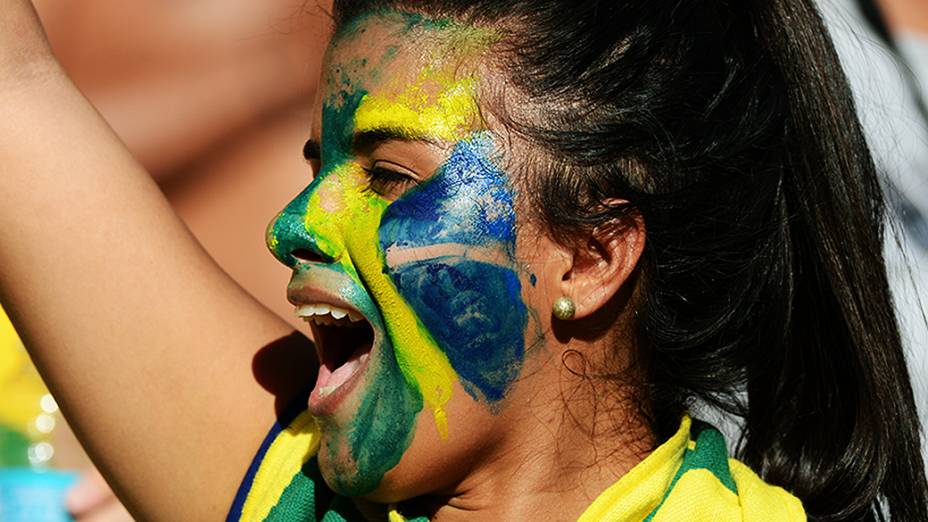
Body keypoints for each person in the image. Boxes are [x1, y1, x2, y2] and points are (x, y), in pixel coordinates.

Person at [0, 0, 925, 521]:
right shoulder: (299, 497)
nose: (291, 226)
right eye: (319, 168)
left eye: (391, 176)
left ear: (593, 254)